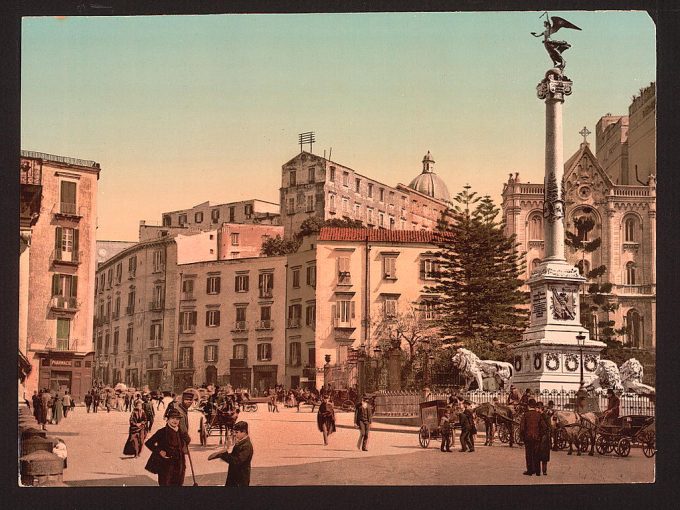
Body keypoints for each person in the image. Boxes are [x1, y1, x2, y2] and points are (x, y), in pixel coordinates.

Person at [144, 408, 190, 486]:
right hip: (165, 465)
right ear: (167, 419)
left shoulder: (181, 432)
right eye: (172, 418)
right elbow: (149, 443)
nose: (175, 421)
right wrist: (159, 451)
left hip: (180, 464)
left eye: (177, 419)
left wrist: (186, 437)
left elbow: (186, 442)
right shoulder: (162, 432)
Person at [208, 421, 254, 486]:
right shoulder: (241, 443)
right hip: (235, 477)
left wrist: (223, 455)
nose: (235, 434)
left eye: (237, 432)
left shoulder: (246, 446)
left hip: (240, 479)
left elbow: (236, 461)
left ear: (243, 432)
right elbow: (233, 457)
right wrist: (223, 454)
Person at [519, 398, 546, 476]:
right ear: (535, 406)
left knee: (529, 454)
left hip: (528, 437)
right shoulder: (539, 415)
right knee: (536, 454)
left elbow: (522, 428)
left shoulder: (525, 415)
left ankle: (530, 471)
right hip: (537, 438)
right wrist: (540, 435)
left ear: (528, 406)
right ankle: (537, 472)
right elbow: (544, 427)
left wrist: (522, 437)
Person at [536, 402, 552, 476]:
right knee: (541, 456)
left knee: (541, 455)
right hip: (542, 437)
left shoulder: (544, 416)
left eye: (538, 408)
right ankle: (542, 471)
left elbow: (549, 426)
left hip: (542, 437)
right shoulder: (543, 416)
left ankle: (542, 471)